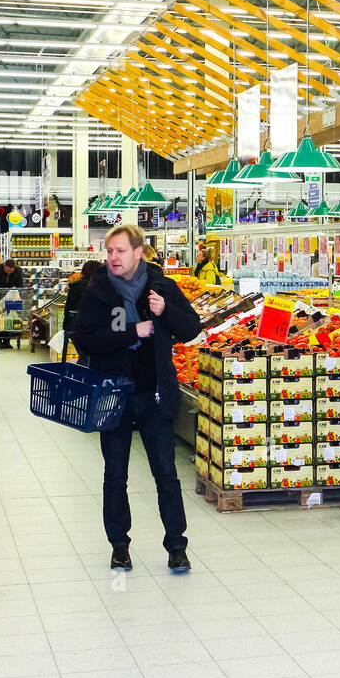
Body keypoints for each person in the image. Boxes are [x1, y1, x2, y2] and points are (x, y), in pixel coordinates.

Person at [69, 225, 202, 573]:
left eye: (120, 251)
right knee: (115, 475)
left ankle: (176, 545)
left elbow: (192, 328)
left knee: (166, 475)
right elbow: (84, 339)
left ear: (138, 252)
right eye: (109, 251)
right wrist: (132, 331)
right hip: (112, 396)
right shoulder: (97, 292)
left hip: (153, 395)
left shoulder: (161, 287)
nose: (112, 257)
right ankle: (119, 546)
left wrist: (164, 313)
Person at [62, 260, 101, 363]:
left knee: (84, 357)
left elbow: (68, 308)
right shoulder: (100, 288)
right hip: (93, 329)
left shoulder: (74, 286)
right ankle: (82, 376)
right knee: (88, 358)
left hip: (75, 328)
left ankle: (78, 376)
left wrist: (65, 328)